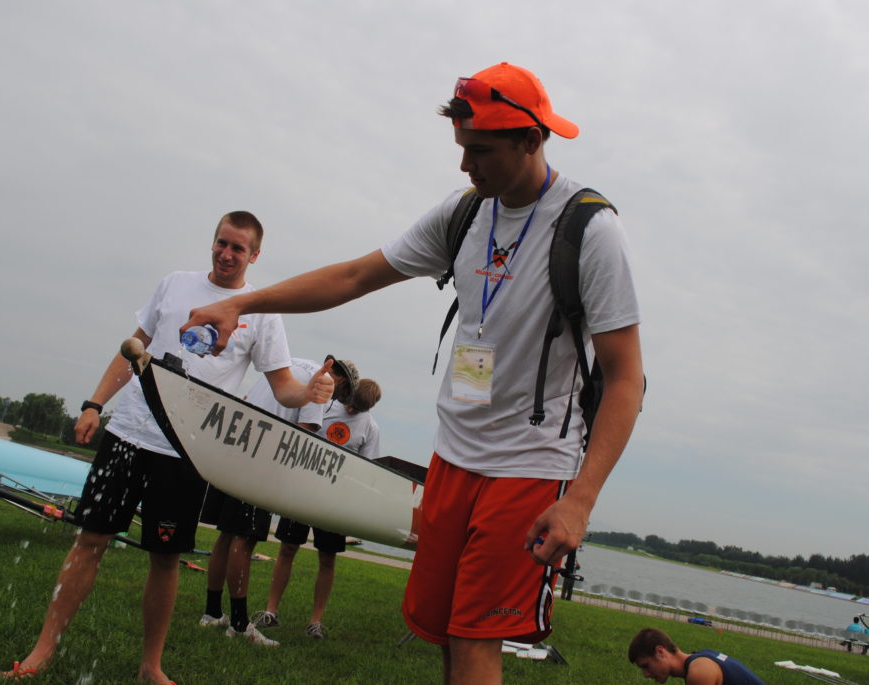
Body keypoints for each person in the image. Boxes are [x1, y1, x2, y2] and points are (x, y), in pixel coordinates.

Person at [181, 62, 644, 684]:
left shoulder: (590, 230)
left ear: (531, 140)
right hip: (453, 459)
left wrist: (580, 500)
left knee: (474, 636)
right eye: (460, 149)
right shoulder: (463, 214)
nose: (464, 167)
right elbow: (351, 278)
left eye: (479, 151)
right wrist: (239, 303)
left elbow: (626, 379)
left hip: (531, 465)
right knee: (442, 632)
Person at [0, 212, 335, 684]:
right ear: (213, 242)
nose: (226, 254)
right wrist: (96, 403)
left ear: (254, 255)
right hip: (129, 434)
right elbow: (133, 346)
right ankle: (41, 651)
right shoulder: (174, 285)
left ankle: (150, 666)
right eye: (221, 243)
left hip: (187, 453)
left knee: (166, 557)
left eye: (238, 248)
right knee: (90, 539)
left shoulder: (261, 313)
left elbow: (283, 388)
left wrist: (310, 393)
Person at [197, 356, 359, 646]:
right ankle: (237, 623)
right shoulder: (322, 382)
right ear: (342, 380)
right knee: (244, 540)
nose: (336, 399)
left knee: (225, 534)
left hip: (233, 446)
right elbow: (302, 437)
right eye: (342, 394)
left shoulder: (293, 363)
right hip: (260, 458)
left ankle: (212, 613)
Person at [253, 377, 381, 639]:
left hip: (334, 501)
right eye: (351, 405)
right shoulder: (325, 407)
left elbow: (368, 470)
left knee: (327, 557)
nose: (352, 411)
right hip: (301, 491)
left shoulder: (370, 428)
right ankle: (271, 611)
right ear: (349, 395)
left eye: (359, 409)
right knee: (287, 548)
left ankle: (315, 622)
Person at [627, 628, 766, 684]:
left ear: (660, 652)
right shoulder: (703, 656)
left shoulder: (700, 671)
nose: (646, 674)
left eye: (646, 666)